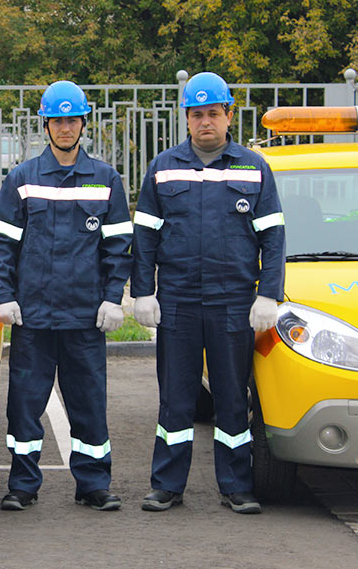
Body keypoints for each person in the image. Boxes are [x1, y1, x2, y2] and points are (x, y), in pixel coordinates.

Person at [131, 72, 285, 514]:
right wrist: (143, 292)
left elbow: (273, 238)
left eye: (213, 114)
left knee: (232, 398)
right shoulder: (163, 168)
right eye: (196, 115)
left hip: (233, 302)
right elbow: (145, 238)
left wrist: (268, 294)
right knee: (176, 397)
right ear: (185, 118)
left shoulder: (254, 168)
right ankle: (167, 485)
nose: (205, 123)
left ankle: (236, 485)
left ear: (228, 115)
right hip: (178, 300)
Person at [0, 81, 133, 511]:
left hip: (86, 318)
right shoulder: (23, 179)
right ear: (45, 125)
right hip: (33, 317)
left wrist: (112, 298)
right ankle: (23, 485)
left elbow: (118, 247)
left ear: (83, 123)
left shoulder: (106, 180)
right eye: (57, 121)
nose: (65, 128)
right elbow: (1, 244)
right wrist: (6, 295)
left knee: (89, 404)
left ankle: (93, 485)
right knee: (25, 406)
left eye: (72, 120)